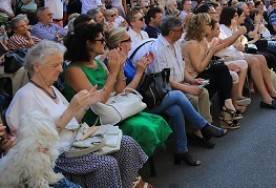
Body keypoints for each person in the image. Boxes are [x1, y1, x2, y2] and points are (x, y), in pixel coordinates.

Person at [6, 41, 148, 188]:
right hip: (59, 156)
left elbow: (72, 122)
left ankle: (125, 185)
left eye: (61, 64)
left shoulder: (52, 90)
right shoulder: (26, 96)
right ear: (37, 67)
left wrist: (85, 105)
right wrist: (71, 109)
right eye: (55, 65)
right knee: (107, 164)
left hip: (77, 143)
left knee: (127, 144)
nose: (61, 69)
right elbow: (37, 145)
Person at [63, 24, 171, 156]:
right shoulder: (73, 70)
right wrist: (114, 72)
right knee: (144, 127)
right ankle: (134, 167)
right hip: (94, 118)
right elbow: (97, 101)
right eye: (101, 40)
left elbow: (120, 90)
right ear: (88, 44)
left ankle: (136, 163)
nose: (105, 43)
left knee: (155, 120)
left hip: (112, 109)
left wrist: (119, 66)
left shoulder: (98, 63)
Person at [147, 17, 227, 156]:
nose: (183, 32)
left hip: (178, 85)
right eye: (180, 30)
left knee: (202, 92)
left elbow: (181, 68)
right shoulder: (158, 49)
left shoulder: (176, 44)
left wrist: (191, 81)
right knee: (192, 98)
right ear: (172, 32)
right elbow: (164, 82)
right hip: (166, 91)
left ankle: (199, 134)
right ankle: (202, 129)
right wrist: (188, 88)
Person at [182, 13, 245, 129]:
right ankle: (227, 110)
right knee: (222, 71)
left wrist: (236, 35)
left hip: (201, 75)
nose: (210, 26)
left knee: (222, 68)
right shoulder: (192, 44)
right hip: (192, 79)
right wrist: (211, 51)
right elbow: (199, 68)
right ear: (200, 26)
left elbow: (207, 61)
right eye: (208, 24)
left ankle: (227, 105)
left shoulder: (203, 41)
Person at [217, 7, 276, 109]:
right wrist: (237, 35)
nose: (237, 18)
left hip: (236, 54)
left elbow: (237, 42)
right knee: (255, 61)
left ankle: (273, 92)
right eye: (235, 16)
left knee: (261, 58)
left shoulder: (231, 27)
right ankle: (266, 98)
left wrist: (238, 39)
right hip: (228, 57)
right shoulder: (221, 28)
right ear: (229, 17)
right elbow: (225, 43)